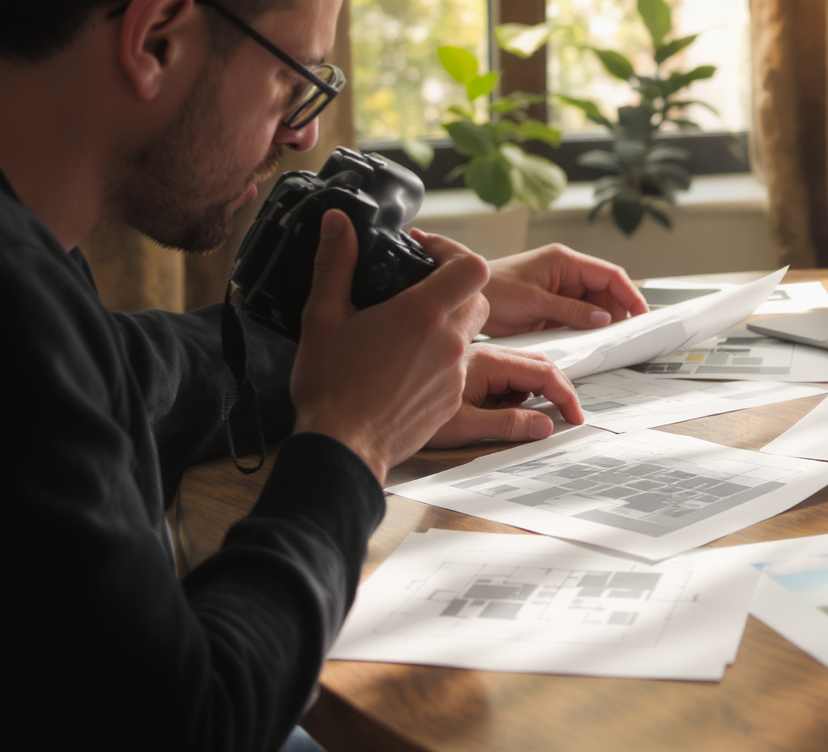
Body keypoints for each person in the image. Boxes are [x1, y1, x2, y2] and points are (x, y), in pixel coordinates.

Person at [0, 0, 648, 749]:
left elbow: (126, 370)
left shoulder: (36, 269)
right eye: (289, 79)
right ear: (155, 39)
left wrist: (367, 365)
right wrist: (353, 438)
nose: (302, 132)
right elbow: (197, 722)